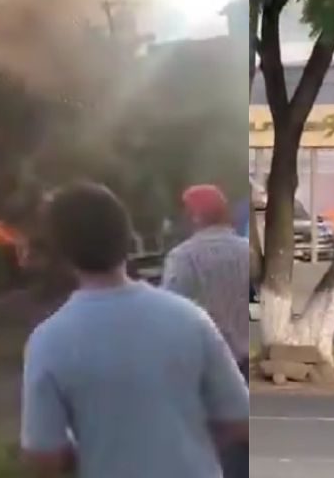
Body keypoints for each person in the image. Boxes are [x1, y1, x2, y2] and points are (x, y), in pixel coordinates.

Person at [20, 182, 249, 478]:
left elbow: (43, 459)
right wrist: (187, 448)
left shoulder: (47, 343)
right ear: (126, 237)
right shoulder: (190, 318)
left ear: (61, 252)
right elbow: (240, 421)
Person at [162, 185, 251, 478]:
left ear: (195, 217)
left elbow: (170, 313)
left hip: (207, 369)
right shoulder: (246, 251)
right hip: (247, 361)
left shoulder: (183, 257)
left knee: (216, 451)